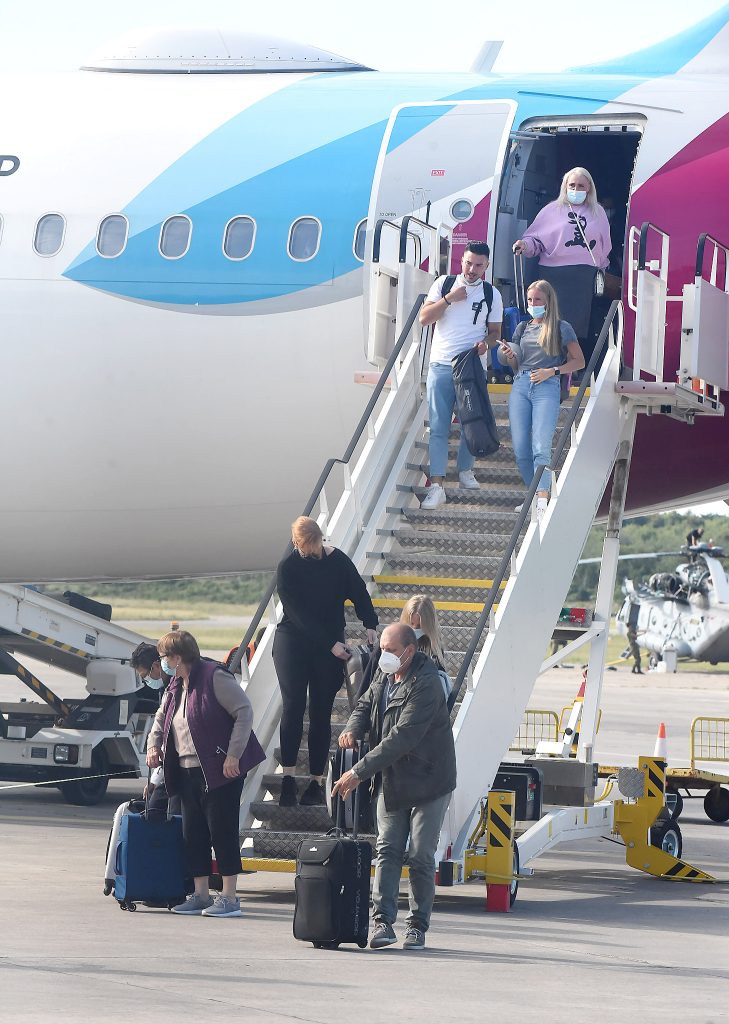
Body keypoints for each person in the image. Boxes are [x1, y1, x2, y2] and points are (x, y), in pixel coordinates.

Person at [332, 622, 457, 952]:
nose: (382, 655)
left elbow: (403, 738)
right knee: (387, 848)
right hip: (392, 778)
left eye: (388, 650)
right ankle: (382, 921)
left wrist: (358, 771)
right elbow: (364, 704)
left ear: (409, 651)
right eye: (381, 649)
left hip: (429, 780)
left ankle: (417, 925)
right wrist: (353, 728)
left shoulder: (426, 683)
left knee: (419, 855)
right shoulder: (385, 675)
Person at [146, 630, 265, 918]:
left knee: (221, 832)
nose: (161, 663)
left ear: (177, 657)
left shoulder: (214, 676)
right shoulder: (176, 684)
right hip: (186, 770)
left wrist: (233, 754)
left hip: (219, 769)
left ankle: (229, 897)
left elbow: (244, 712)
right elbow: (162, 719)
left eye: (163, 657)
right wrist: (153, 745)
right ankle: (200, 894)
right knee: (193, 834)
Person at [273, 516, 378, 808]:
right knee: (293, 705)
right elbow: (298, 614)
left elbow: (358, 591)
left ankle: (316, 782)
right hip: (294, 640)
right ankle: (288, 778)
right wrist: (330, 644)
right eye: (302, 546)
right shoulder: (288, 568)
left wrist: (370, 623)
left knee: (322, 710)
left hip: (329, 646)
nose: (307, 551)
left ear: (319, 539)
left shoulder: (338, 562)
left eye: (310, 545)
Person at [418, 241, 504, 509]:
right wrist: (449, 299)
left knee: (473, 422)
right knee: (438, 428)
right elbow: (424, 318)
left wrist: (485, 345)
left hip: (471, 367)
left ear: (486, 266)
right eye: (468, 263)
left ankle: (465, 471)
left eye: (478, 265)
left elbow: (495, 334)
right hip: (442, 365)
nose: (472, 269)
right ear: (462, 261)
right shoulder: (444, 284)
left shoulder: (492, 294)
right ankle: (438, 485)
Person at [498, 280, 585, 518]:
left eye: (537, 300)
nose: (533, 304)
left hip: (546, 384)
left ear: (548, 302)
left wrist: (554, 371)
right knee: (521, 450)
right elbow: (516, 365)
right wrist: (509, 356)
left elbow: (579, 361)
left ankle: (542, 498)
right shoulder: (522, 327)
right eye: (530, 300)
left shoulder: (560, 326)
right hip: (521, 383)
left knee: (540, 446)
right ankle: (534, 494)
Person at [512, 167, 611, 353]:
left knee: (577, 325)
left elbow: (605, 245)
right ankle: (549, 361)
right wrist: (524, 245)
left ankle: (571, 367)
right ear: (565, 186)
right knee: (550, 321)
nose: (575, 189)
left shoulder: (598, 212)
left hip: (583, 275)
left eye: (581, 185)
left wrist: (601, 268)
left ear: (589, 187)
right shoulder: (551, 210)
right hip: (553, 274)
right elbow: (535, 240)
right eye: (571, 185)